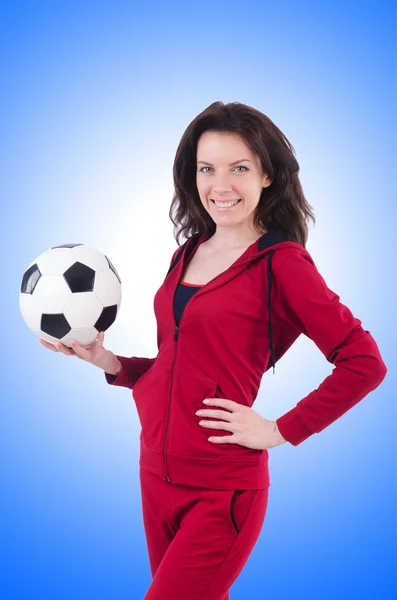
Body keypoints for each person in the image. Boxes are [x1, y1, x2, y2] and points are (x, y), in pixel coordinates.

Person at [39, 101, 388, 600]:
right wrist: (110, 362)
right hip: (156, 477)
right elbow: (181, 365)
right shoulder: (188, 251)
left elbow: (365, 362)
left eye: (239, 168)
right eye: (207, 169)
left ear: (268, 175)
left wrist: (280, 429)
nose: (219, 186)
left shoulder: (283, 264)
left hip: (222, 489)